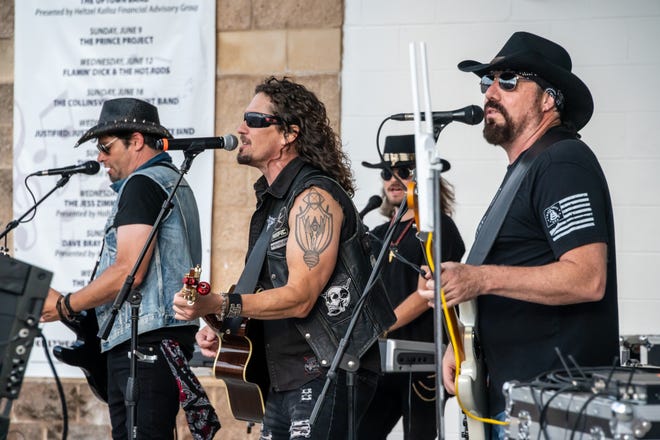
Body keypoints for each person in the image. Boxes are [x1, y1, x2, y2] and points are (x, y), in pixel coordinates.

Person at [419, 31, 619, 439]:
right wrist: (460, 345)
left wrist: (481, 277)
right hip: (519, 401)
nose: (491, 91)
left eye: (508, 80)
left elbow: (587, 276)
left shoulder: (562, 162)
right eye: (486, 82)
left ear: (549, 99)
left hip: (552, 405)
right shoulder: (526, 169)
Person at [172, 76, 395, 439]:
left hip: (325, 369)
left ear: (289, 133)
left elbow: (301, 297)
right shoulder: (274, 203)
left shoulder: (313, 198)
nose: (241, 129)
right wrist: (218, 322)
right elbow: (266, 299)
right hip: (284, 376)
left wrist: (222, 302)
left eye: (255, 120)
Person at [40, 98, 216, 439]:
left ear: (136, 141)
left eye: (106, 147)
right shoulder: (168, 182)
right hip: (154, 343)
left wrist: (64, 306)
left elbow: (128, 273)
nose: (100, 158)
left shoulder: (143, 184)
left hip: (144, 343)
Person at [358, 134, 465, 439]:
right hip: (378, 359)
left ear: (424, 178)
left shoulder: (436, 226)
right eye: (386, 173)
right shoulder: (377, 232)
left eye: (404, 172)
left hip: (423, 361)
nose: (393, 180)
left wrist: (377, 328)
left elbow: (424, 294)